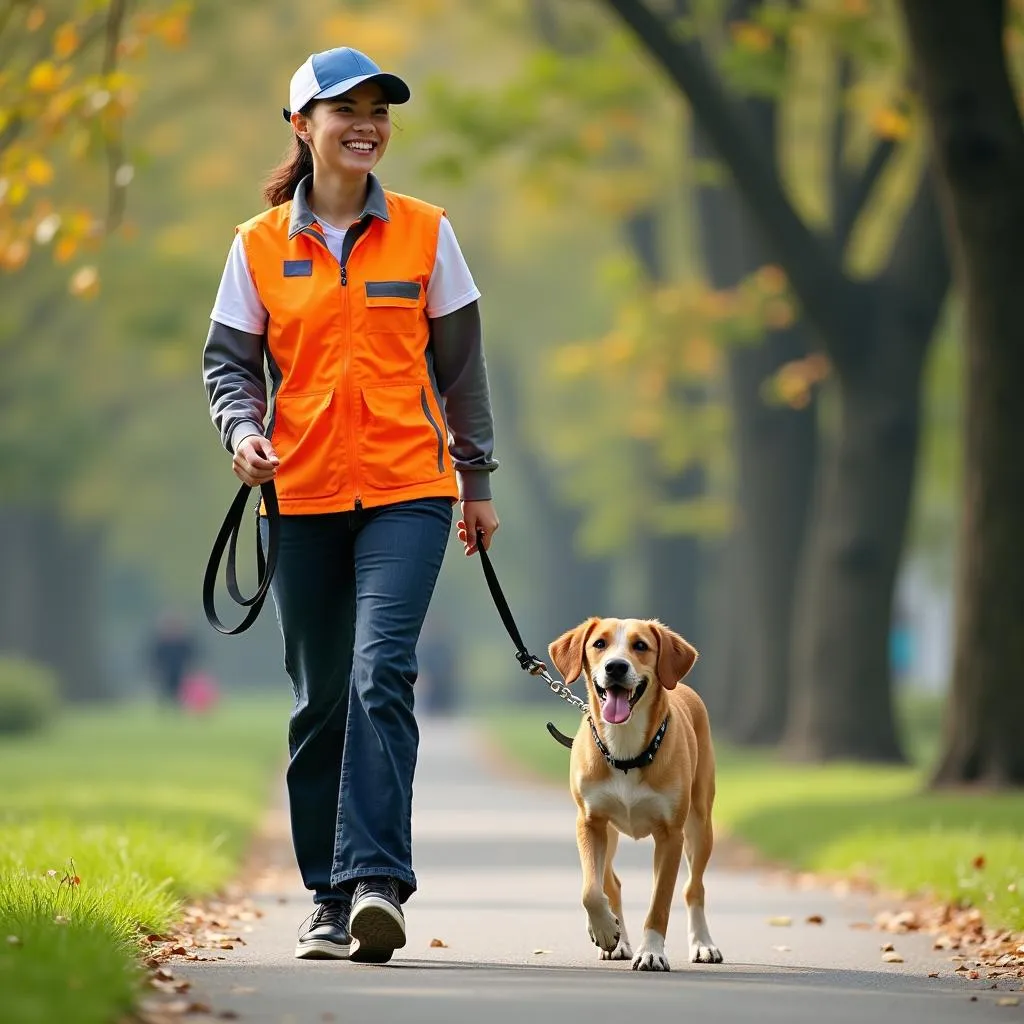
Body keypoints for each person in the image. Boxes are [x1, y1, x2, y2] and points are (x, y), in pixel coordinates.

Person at [202, 46, 499, 964]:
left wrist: (475, 481)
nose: (367, 124)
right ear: (303, 126)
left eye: (379, 110)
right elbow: (229, 368)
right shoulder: (256, 245)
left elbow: (461, 371)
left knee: (382, 674)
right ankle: (328, 899)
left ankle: (377, 882)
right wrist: (242, 432)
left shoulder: (425, 232)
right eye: (346, 110)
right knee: (320, 698)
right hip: (301, 496)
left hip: (409, 491)